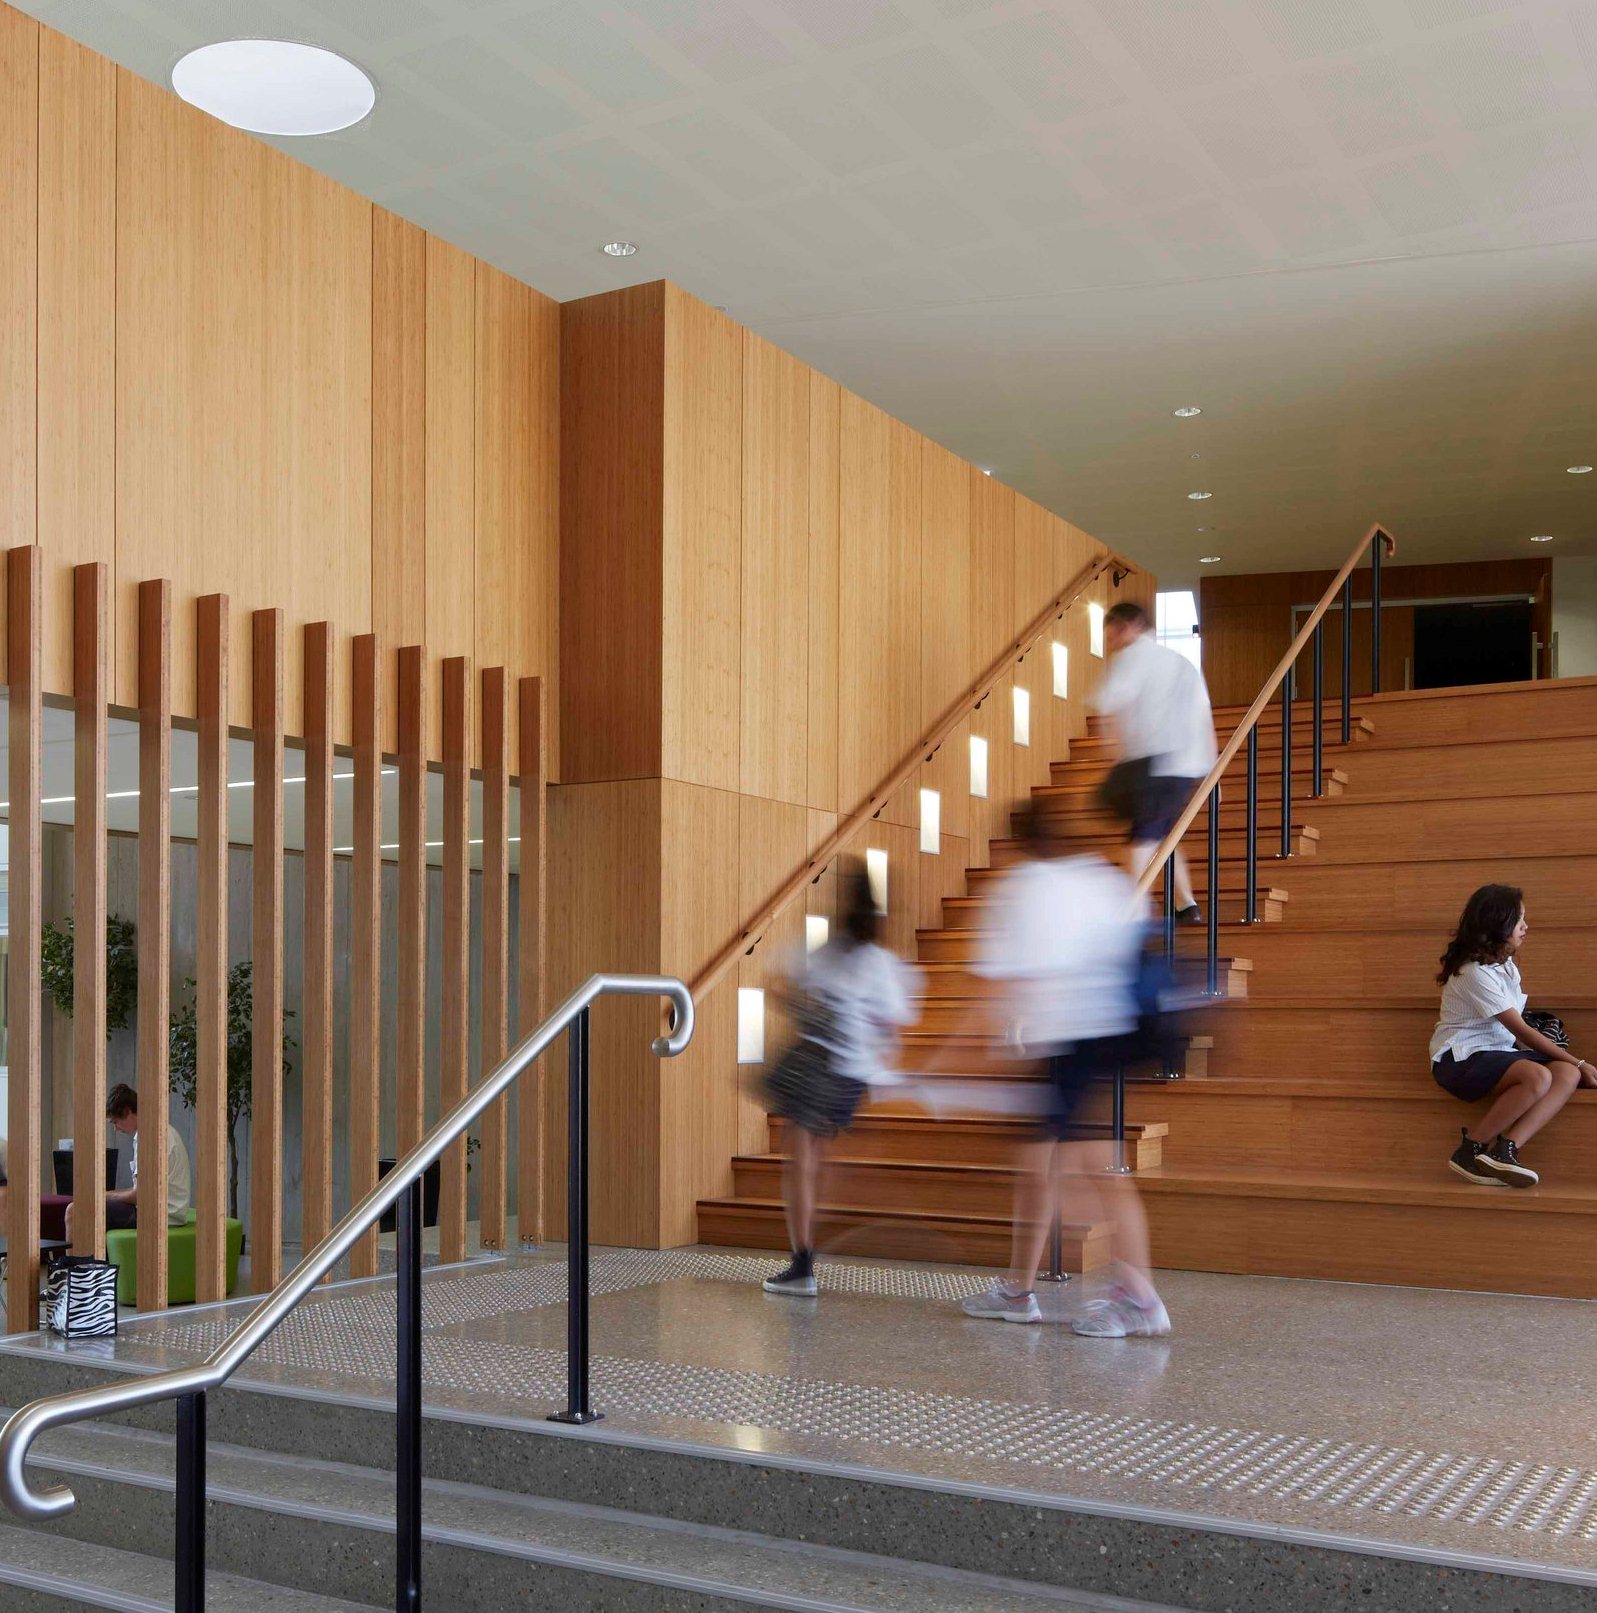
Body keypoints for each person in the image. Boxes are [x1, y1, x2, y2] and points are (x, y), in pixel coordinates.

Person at [961, 806, 1171, 1337]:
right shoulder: (1100, 877)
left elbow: (1001, 982)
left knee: (1087, 1168)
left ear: (1019, 841)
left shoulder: (1022, 887)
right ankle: (1019, 1289)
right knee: (1044, 1167)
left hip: (1071, 1040)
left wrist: (963, 1057)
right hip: (1101, 1036)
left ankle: (1140, 1299)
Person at [760, 861, 916, 1298]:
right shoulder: (881, 961)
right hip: (850, 1073)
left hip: (814, 1064)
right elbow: (893, 1026)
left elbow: (779, 985)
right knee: (814, 1158)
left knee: (800, 1162)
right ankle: (806, 1255)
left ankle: (802, 1260)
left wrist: (808, 1009)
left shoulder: (827, 952)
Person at [1432, 884, 1595, 1187]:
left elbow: (1518, 1034)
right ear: (1497, 924)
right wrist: (1581, 1061)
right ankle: (1471, 1150)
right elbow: (1520, 1030)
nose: (1525, 927)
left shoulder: (1505, 967)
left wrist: (1574, 1066)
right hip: (1460, 1058)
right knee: (1539, 1076)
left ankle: (1505, 1150)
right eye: (1519, 920)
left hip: (1498, 1053)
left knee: (1566, 1074)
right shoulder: (1473, 973)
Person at [1093, 600, 1216, 924]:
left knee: (1144, 834)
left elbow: (1110, 706)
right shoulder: (1182, 663)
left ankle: (1133, 911)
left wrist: (1111, 752)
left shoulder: (1132, 657)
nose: (1112, 644)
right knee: (1163, 833)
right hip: (1186, 763)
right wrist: (1211, 771)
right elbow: (1202, 716)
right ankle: (1186, 904)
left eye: (1112, 636)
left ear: (1128, 626)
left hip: (1152, 760)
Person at [64, 1083, 192, 1246]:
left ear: (128, 1111)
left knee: (75, 1211)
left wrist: (103, 1195)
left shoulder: (149, 1137)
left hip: (159, 1215)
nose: (116, 1129)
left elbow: (139, 1196)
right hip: (170, 1212)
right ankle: (93, 1260)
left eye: (116, 1122)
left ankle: (75, 1262)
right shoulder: (160, 1130)